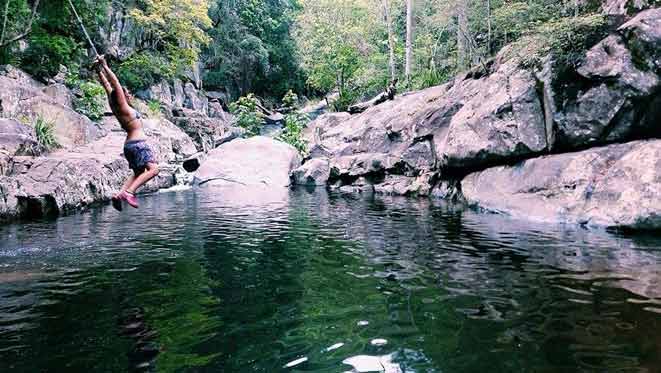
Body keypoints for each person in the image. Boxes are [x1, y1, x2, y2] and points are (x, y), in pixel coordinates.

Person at [94, 55, 159, 211]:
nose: (129, 94)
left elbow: (106, 85)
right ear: (121, 95)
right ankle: (129, 193)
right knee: (155, 170)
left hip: (128, 146)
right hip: (138, 144)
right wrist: (105, 65)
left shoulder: (114, 105)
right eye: (126, 92)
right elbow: (114, 83)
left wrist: (98, 70)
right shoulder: (123, 106)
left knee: (138, 171)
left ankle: (120, 194)